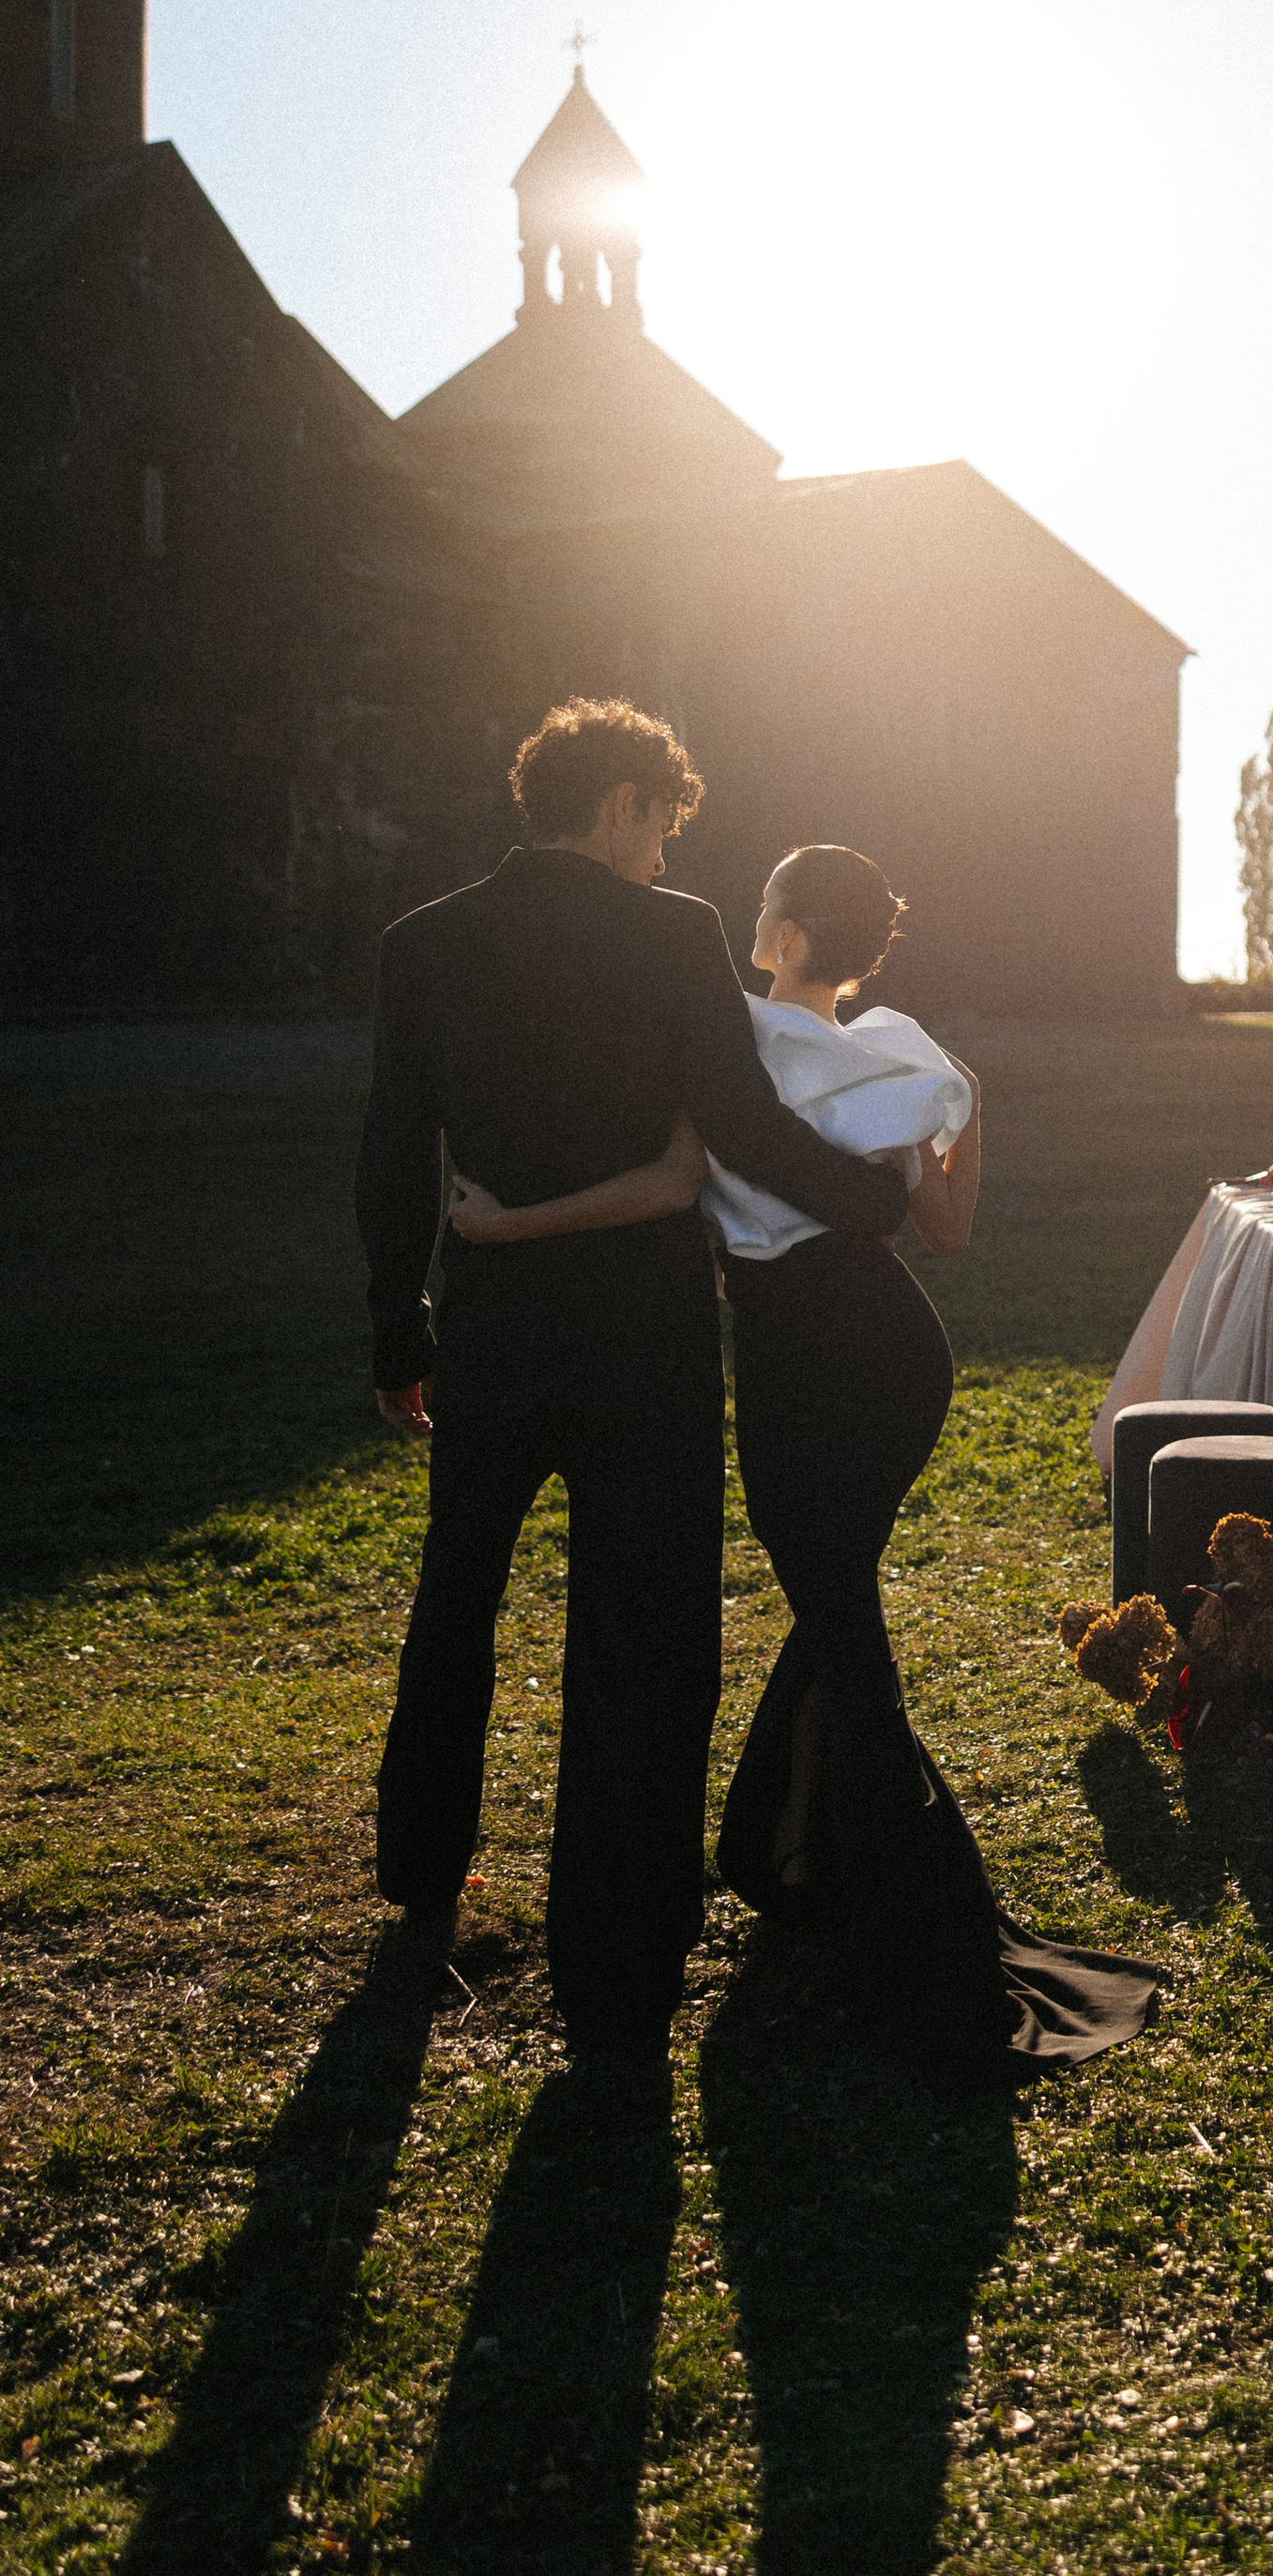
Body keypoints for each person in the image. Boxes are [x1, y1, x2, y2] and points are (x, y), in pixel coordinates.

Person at [447, 841, 1161, 2089]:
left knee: (843, 1625)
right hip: (895, 1357)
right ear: (865, 948)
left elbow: (671, 1182)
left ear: (779, 933)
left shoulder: (728, 1040)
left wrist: (504, 1226)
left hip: (800, 1365)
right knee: (838, 1613)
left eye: (763, 914)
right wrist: (968, 1107)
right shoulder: (902, 1050)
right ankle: (800, 1850)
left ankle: (923, 1931)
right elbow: (945, 1230)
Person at [355, 703, 911, 2059]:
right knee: (645, 1642)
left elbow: (388, 1154)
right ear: (616, 807)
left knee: (458, 1596)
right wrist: (872, 1201)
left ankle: (422, 1867)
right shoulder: (674, 936)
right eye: (660, 819)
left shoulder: (422, 945)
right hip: (644, 1346)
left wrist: (398, 1332)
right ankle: (620, 1956)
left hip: (490, 1331)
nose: (666, 850)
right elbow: (741, 1125)